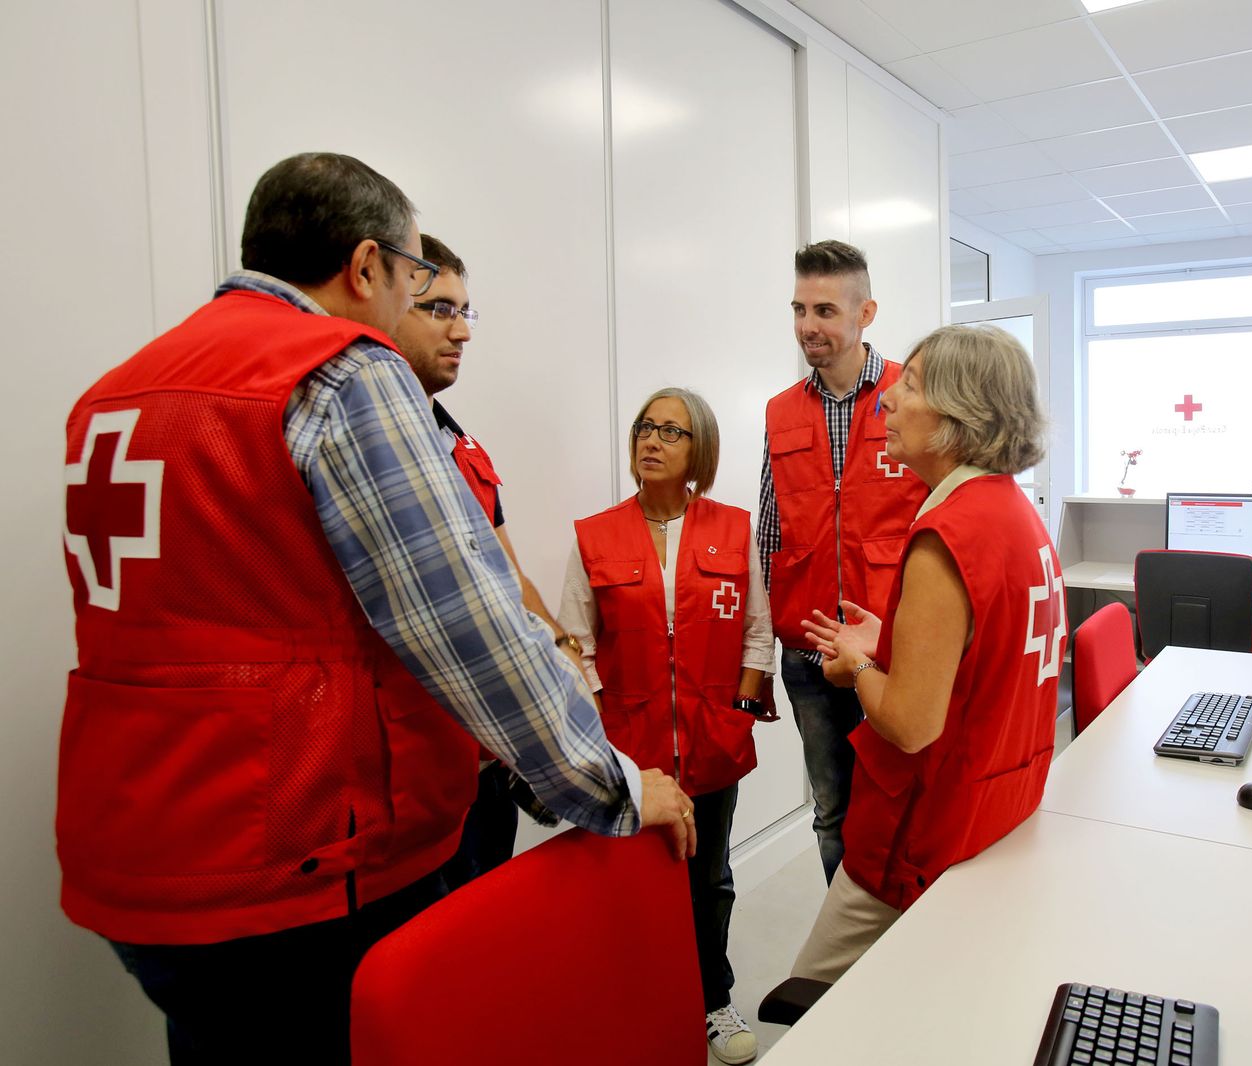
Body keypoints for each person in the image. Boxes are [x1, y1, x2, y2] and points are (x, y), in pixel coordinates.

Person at [58, 152, 695, 1065]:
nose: (416, 314)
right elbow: (462, 624)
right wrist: (616, 787)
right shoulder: (342, 372)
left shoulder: (120, 387)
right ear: (366, 267)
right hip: (300, 855)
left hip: (144, 851)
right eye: (413, 282)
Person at [788, 324, 1064, 982]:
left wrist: (859, 666)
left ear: (957, 414)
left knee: (812, 998)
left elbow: (912, 725)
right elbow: (986, 654)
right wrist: (895, 639)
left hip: (920, 831)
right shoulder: (1014, 516)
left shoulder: (948, 532)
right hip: (996, 811)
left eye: (909, 386)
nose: (886, 400)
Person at [559, 388, 774, 1065]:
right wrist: (603, 740)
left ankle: (713, 1000)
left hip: (713, 748)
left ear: (698, 451)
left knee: (708, 879)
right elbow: (575, 644)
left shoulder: (734, 530)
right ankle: (637, 1001)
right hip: (630, 755)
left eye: (671, 432)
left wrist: (736, 721)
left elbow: (758, 636)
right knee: (630, 885)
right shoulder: (594, 535)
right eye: (645, 428)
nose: (652, 440)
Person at [759, 240, 928, 886]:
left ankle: (903, 939)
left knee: (903, 803)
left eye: (825, 309)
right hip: (807, 653)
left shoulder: (909, 398)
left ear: (867, 313)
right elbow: (770, 533)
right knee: (832, 813)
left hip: (892, 650)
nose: (808, 326)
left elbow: (939, 525)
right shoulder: (780, 411)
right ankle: (848, 954)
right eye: (800, 309)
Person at [390, 233, 553, 890]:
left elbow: (511, 583)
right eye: (437, 309)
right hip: (410, 772)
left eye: (467, 312)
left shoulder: (462, 448)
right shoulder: (372, 453)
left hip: (486, 761)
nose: (460, 330)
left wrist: (569, 669)